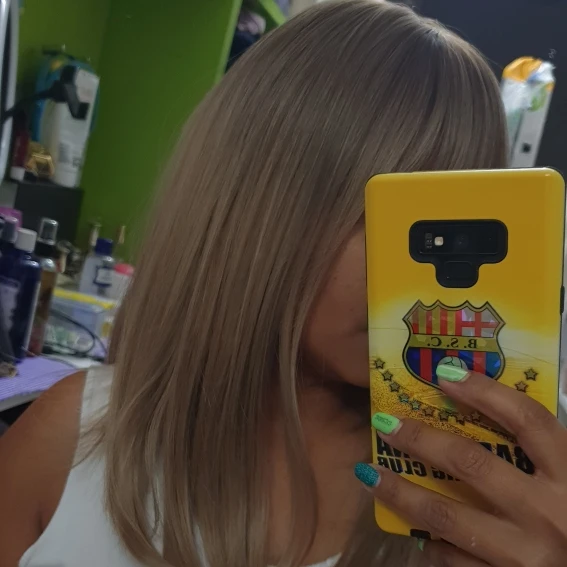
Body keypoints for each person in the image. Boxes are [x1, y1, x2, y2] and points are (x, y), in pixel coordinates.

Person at [1, 1, 566, 566]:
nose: (417, 273)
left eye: (450, 222)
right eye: (384, 215)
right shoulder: (72, 441)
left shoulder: (493, 516)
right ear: (258, 207)